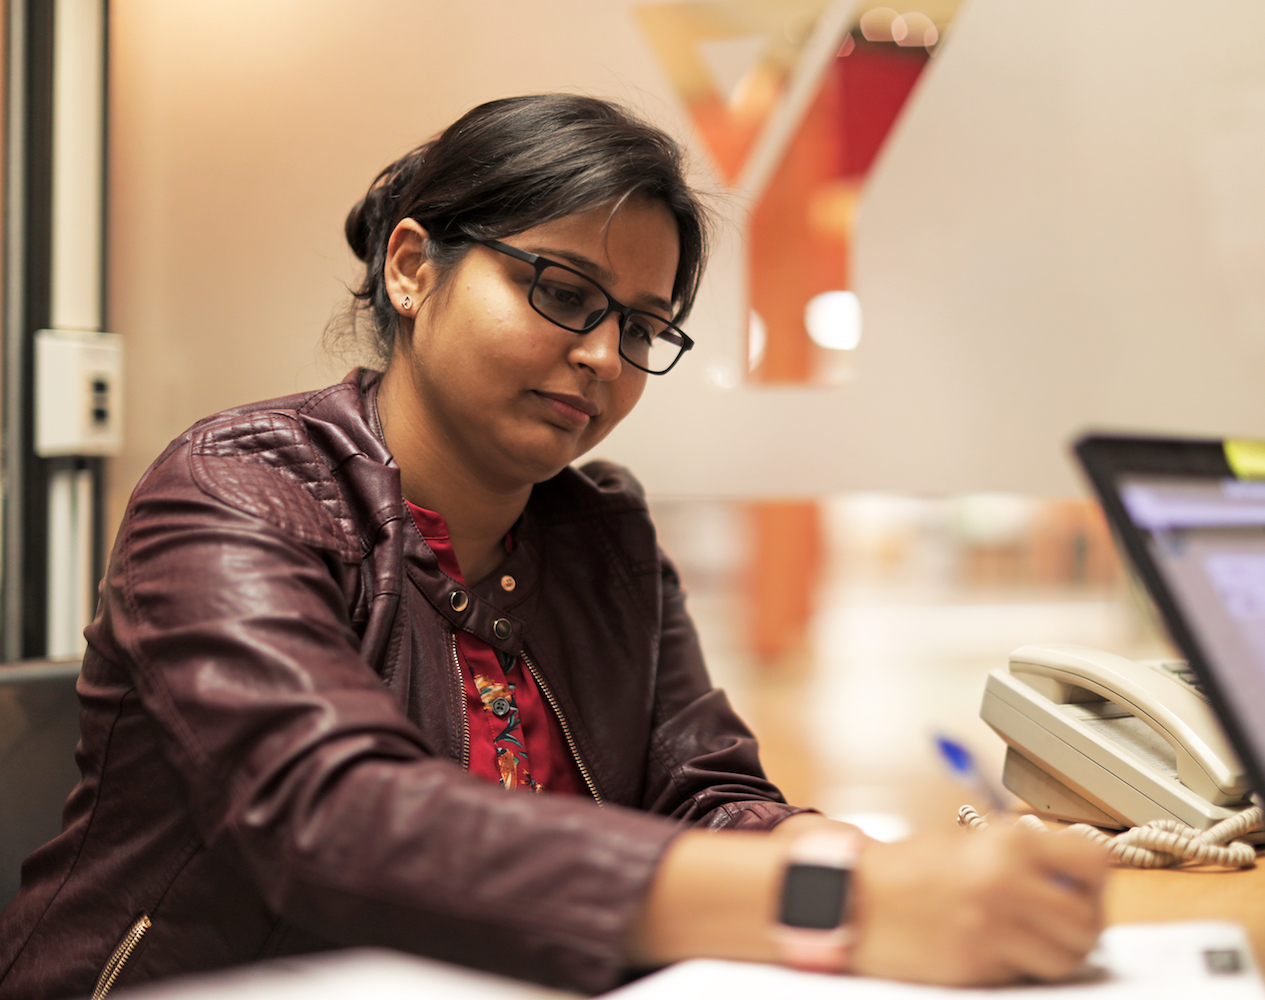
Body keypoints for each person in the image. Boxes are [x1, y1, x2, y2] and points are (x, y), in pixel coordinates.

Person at [0, 95, 1107, 999]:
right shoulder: (241, 487)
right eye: (564, 293)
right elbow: (334, 815)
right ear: (412, 268)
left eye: (641, 326)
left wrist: (881, 866)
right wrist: (838, 903)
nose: (604, 358)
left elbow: (707, 793)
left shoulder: (600, 530)